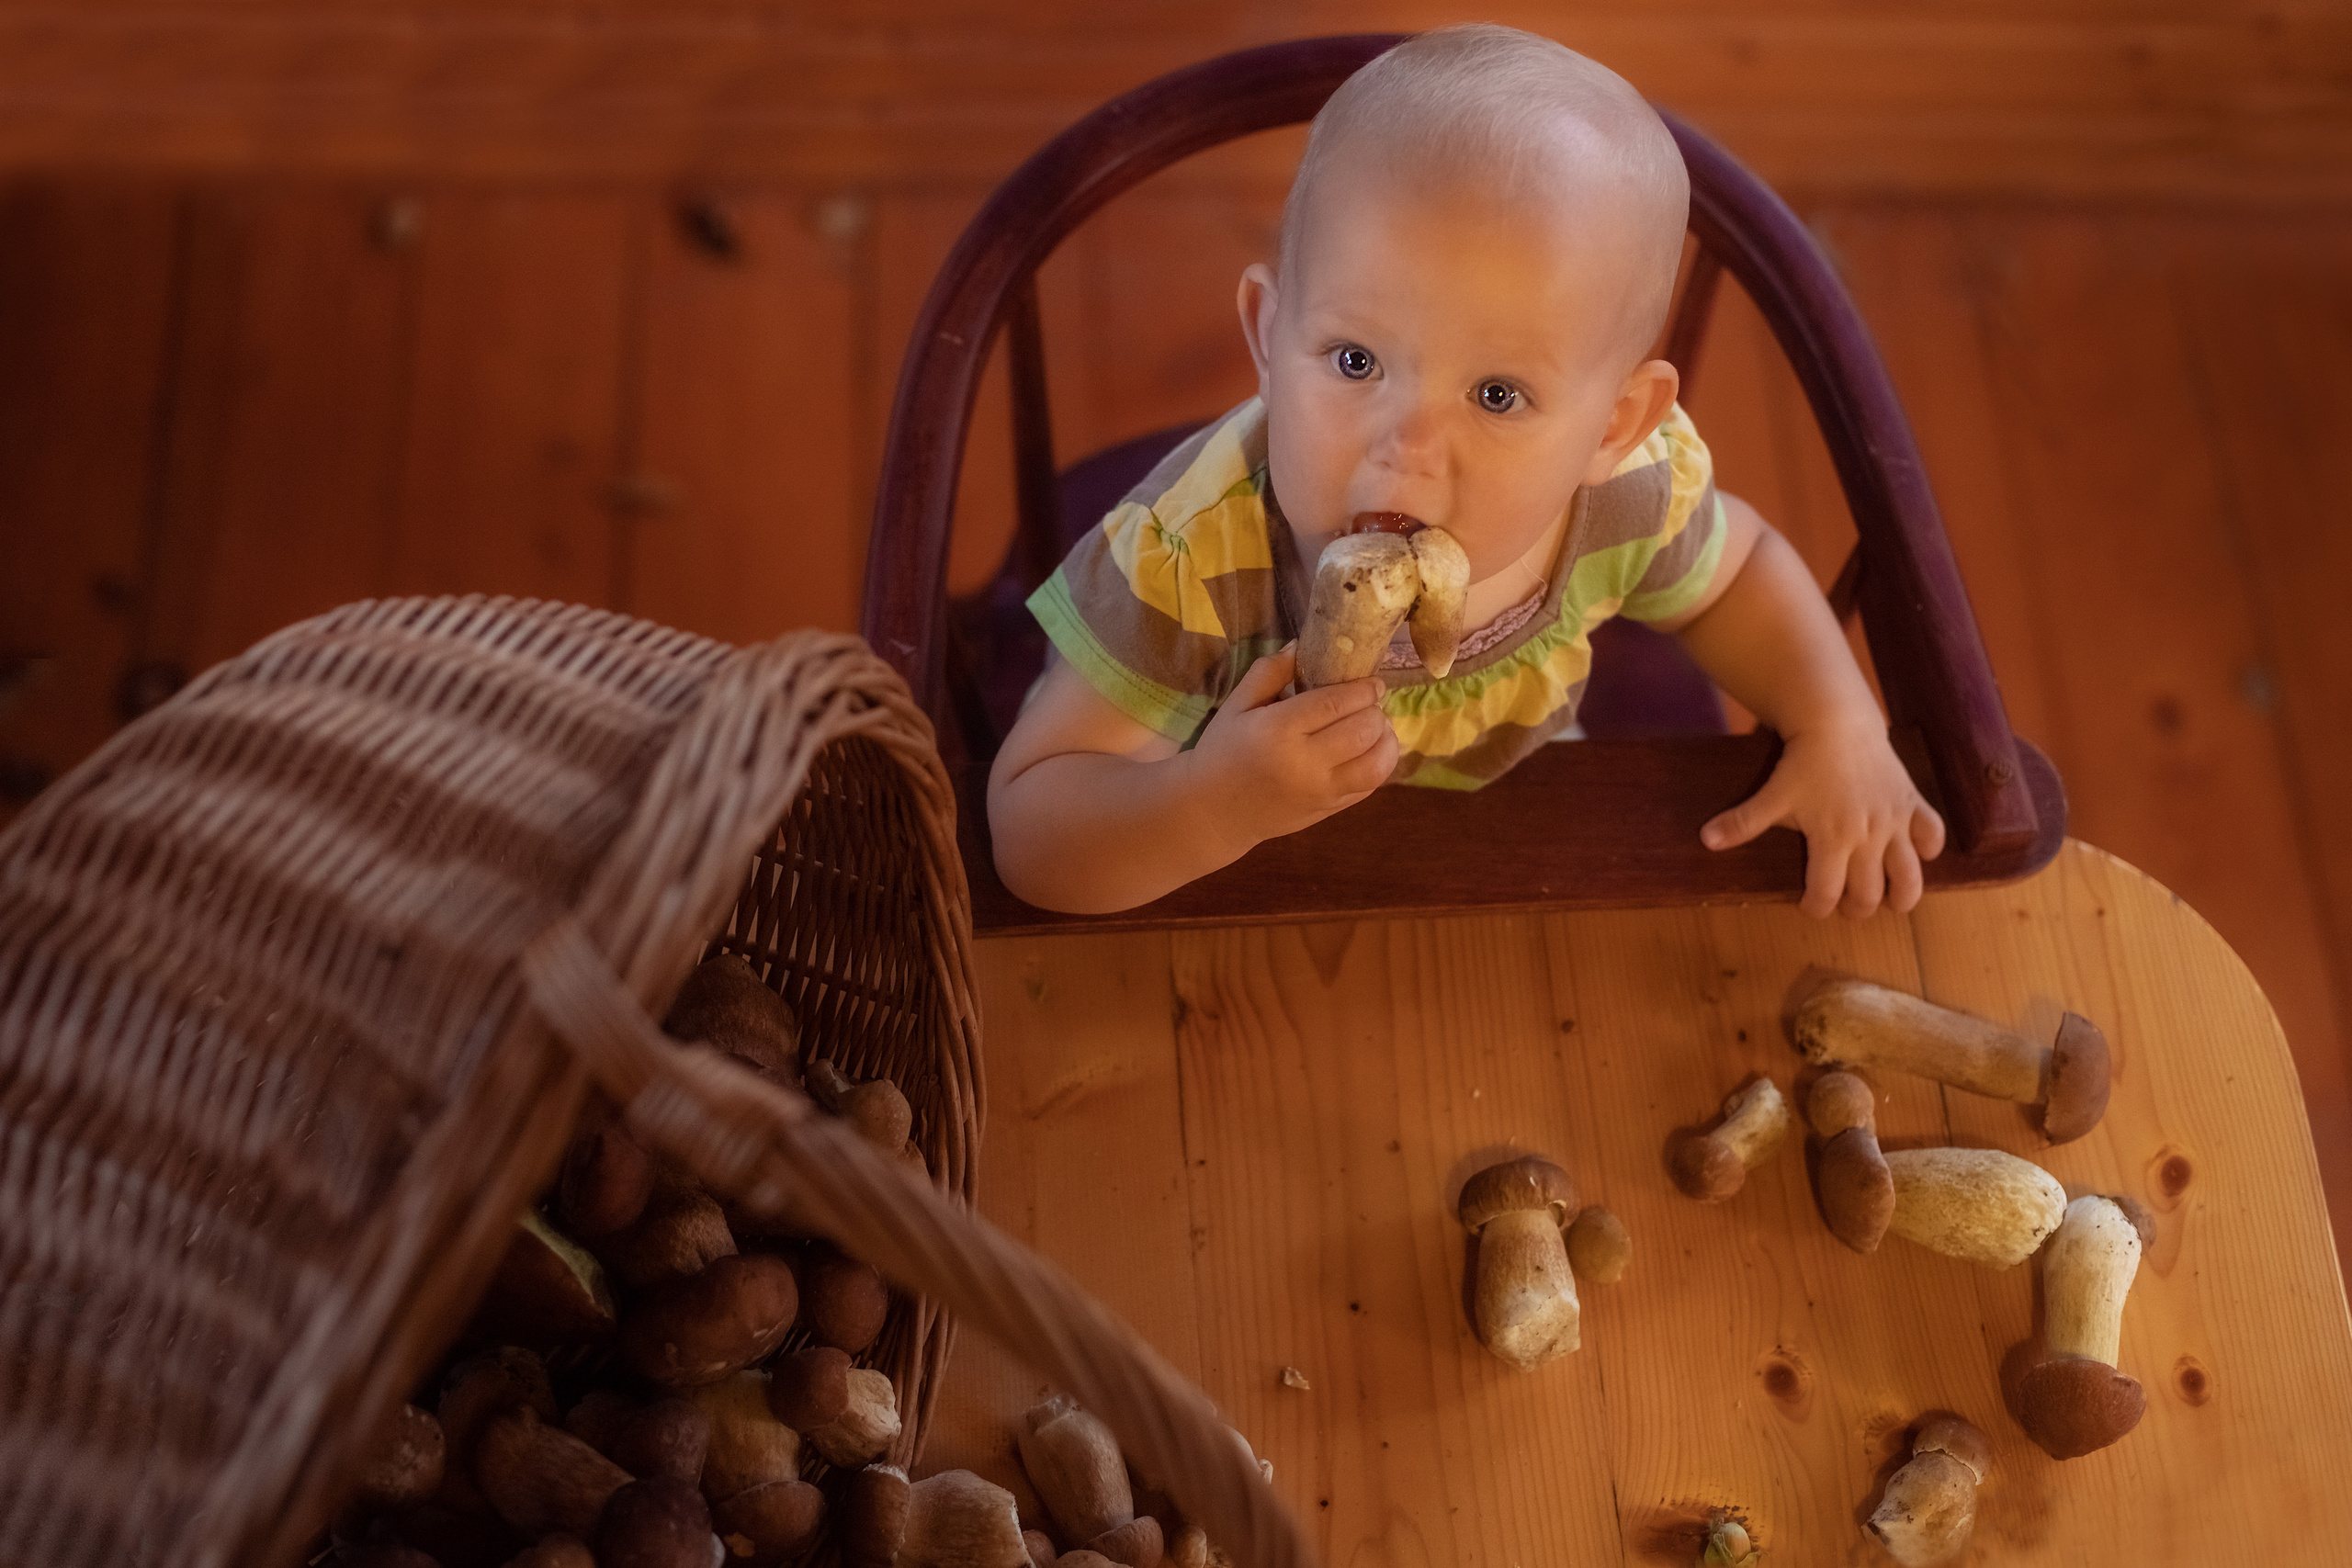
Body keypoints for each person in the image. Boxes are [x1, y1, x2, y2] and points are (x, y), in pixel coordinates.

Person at [988, 24, 1944, 918]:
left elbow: (1736, 573)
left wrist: (1838, 723)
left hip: (1494, 837)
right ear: (1268, 337)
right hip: (1211, 861)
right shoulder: (1193, 564)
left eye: (1495, 395)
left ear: (1613, 425)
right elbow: (1030, 834)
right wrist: (1211, 803)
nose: (1405, 445)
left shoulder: (1618, 495)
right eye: (1355, 361)